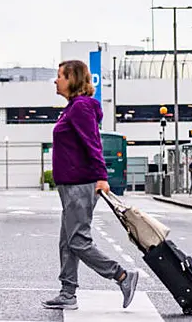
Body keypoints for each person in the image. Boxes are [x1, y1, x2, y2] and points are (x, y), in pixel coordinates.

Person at [42, 60, 138, 311]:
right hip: (71, 185)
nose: (56, 80)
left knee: (78, 241)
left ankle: (122, 276)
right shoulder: (72, 107)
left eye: (60, 76)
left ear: (72, 78)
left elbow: (93, 143)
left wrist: (101, 177)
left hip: (79, 185)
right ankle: (67, 293)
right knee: (67, 241)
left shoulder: (80, 108)